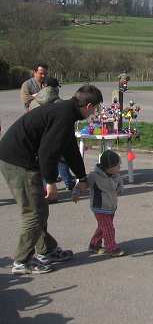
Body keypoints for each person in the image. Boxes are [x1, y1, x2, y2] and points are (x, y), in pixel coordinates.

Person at [0, 84, 103, 275]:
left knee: (40, 209)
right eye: (95, 109)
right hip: (17, 161)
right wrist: (50, 182)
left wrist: (81, 177)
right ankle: (22, 261)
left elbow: (70, 148)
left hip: (20, 157)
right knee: (33, 213)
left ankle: (46, 250)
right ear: (89, 106)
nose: (94, 113)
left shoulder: (66, 112)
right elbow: (47, 153)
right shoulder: (64, 115)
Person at [73, 150, 126, 257]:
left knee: (103, 227)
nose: (119, 167)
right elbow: (83, 183)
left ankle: (94, 245)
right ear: (109, 166)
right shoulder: (94, 176)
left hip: (111, 207)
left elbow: (120, 184)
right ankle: (111, 247)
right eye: (117, 165)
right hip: (99, 207)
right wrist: (76, 192)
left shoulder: (116, 175)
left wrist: (119, 189)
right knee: (108, 228)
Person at [28, 77, 76, 191]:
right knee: (62, 158)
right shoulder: (60, 104)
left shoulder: (34, 102)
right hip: (54, 135)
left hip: (37, 136)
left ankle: (45, 188)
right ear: (55, 88)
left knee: (42, 161)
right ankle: (68, 182)